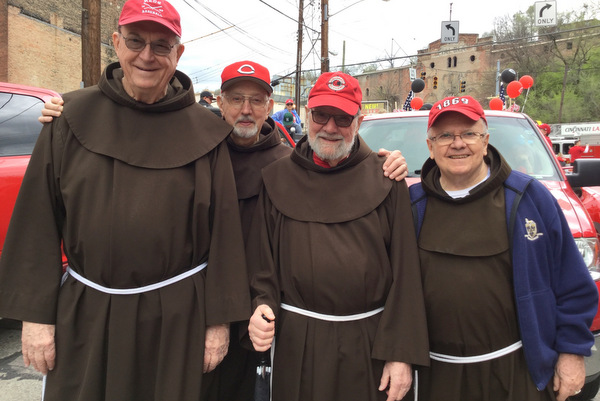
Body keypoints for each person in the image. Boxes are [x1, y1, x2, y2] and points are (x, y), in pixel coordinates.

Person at [40, 61, 410, 401]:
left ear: (270, 106)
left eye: (256, 100)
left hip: (271, 324)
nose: (245, 109)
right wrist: (69, 109)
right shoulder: (195, 148)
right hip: (196, 309)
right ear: (219, 101)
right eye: (235, 99)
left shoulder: (284, 165)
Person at [0, 1, 250, 400]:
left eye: (161, 45)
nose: (147, 56)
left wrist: (218, 324)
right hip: (87, 312)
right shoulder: (69, 117)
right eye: (135, 41)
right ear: (116, 43)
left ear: (178, 53)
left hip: (178, 318)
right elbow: (37, 220)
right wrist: (36, 317)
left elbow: (225, 234)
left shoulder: (208, 132)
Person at [247, 71, 429, 401]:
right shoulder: (276, 178)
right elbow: (264, 265)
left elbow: (406, 274)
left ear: (358, 121)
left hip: (369, 344)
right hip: (295, 342)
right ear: (307, 115)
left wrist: (401, 353)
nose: (331, 127)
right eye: (321, 115)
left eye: (343, 118)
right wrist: (261, 306)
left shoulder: (386, 178)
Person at [409, 96, 598, 401]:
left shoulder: (529, 197)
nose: (457, 144)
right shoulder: (411, 206)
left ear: (485, 141)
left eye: (469, 133)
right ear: (430, 147)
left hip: (517, 373)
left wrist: (572, 352)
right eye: (444, 135)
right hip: (434, 377)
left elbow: (572, 282)